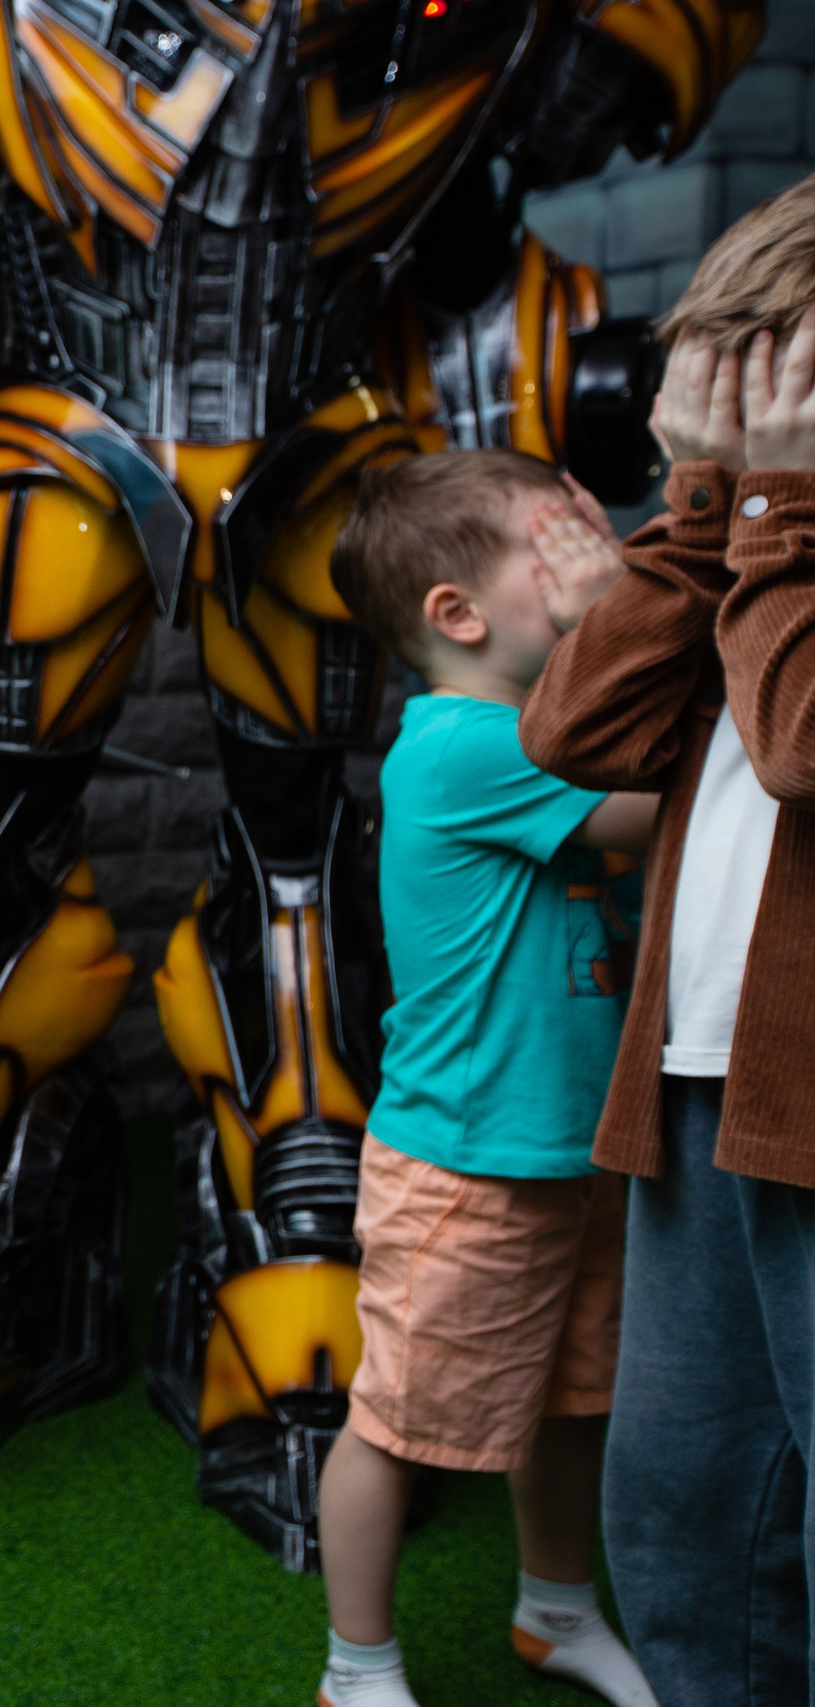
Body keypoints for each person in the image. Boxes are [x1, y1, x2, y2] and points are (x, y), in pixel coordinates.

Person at [519, 174, 815, 1707]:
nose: (747, 412)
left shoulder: (793, 545)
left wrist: (773, 510)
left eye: (775, 373)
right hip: (704, 1103)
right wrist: (703, 509)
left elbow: (801, 746)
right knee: (686, 1526)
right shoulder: (765, 545)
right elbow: (573, 727)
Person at [315, 452, 660, 1707]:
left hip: (573, 1150)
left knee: (576, 1403)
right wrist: (625, 610)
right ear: (456, 616)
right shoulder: (467, 745)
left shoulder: (525, 729)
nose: (589, 556)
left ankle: (553, 1612)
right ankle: (356, 1669)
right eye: (555, 546)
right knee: (398, 1429)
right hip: (466, 1167)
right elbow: (647, 804)